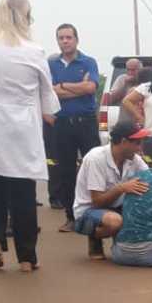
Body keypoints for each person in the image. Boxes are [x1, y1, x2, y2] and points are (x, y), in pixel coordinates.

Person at [0, 0, 60, 272]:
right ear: (27, 16)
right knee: (23, 191)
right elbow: (48, 98)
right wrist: (49, 111)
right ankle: (26, 257)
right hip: (24, 128)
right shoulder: (34, 51)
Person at [72, 118, 152, 260]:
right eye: (137, 143)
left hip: (118, 207)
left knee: (148, 212)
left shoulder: (134, 158)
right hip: (89, 210)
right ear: (123, 142)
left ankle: (121, 239)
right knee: (115, 222)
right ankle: (94, 236)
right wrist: (121, 188)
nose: (140, 148)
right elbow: (97, 202)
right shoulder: (95, 158)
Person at [49, 22, 100, 233]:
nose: (65, 41)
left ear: (76, 39)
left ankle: (97, 214)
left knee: (94, 169)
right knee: (66, 172)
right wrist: (77, 87)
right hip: (62, 125)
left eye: (68, 37)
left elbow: (91, 88)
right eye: (61, 38)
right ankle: (71, 217)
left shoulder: (88, 62)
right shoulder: (51, 65)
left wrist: (62, 87)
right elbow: (50, 93)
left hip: (86, 122)